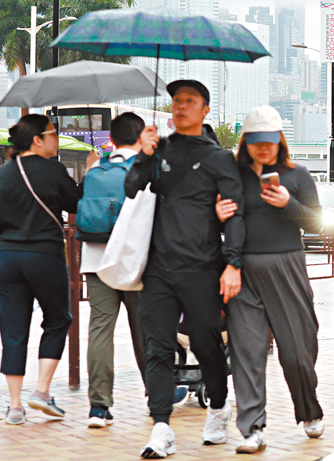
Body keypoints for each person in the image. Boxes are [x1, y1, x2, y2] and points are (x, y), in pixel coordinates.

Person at [125, 80, 245, 459]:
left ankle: (219, 404)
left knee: (207, 342)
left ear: (205, 109)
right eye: (176, 101)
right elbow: (131, 188)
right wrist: (143, 154)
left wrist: (233, 264)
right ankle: (162, 425)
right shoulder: (158, 149)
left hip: (203, 267)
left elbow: (236, 216)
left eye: (189, 101)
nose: (180, 107)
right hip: (159, 268)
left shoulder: (220, 158)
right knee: (157, 346)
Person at [214, 106, 324, 454]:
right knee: (247, 351)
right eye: (256, 141)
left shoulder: (298, 176)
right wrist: (216, 217)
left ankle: (309, 411)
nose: (264, 148)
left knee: (296, 352)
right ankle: (252, 428)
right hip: (242, 270)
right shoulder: (233, 177)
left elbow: (318, 224)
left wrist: (289, 203)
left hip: (286, 267)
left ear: (280, 140)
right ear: (245, 141)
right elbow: (224, 222)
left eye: (270, 141)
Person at [0, 114, 97, 425]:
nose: (56, 139)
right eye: (53, 133)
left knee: (13, 329)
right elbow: (76, 202)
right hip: (44, 254)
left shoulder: (3, 174)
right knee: (58, 319)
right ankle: (42, 392)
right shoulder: (53, 170)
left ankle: (15, 406)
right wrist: (92, 170)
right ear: (37, 140)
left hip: (8, 258)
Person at [77, 112, 148, 428]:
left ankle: (98, 407)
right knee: (145, 330)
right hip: (134, 262)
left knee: (100, 331)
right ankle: (157, 394)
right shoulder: (144, 168)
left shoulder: (96, 168)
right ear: (140, 136)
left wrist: (93, 163)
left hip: (95, 260)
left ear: (114, 138)